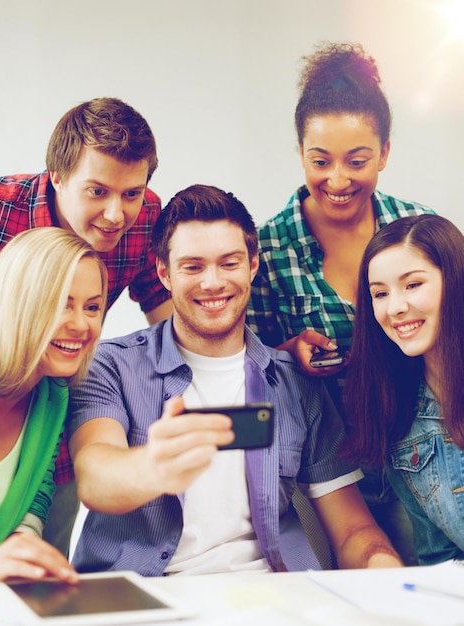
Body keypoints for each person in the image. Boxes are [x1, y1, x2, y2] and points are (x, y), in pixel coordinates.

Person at [68, 184, 402, 575]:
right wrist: (153, 467)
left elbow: (352, 531)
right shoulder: (110, 365)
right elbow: (95, 478)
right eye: (193, 266)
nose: (213, 282)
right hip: (147, 598)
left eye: (229, 263)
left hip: (273, 598)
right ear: (164, 273)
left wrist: (384, 568)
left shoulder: (296, 383)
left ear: (253, 266)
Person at [246, 42, 435, 564]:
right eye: (320, 160)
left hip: (420, 452)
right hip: (328, 470)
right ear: (300, 152)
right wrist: (289, 352)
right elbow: (250, 372)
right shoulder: (269, 248)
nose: (337, 180)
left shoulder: (418, 230)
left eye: (358, 161)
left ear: (385, 153)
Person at [0, 97, 172, 555]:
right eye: (98, 192)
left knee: (34, 559)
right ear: (56, 175)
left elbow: (169, 317)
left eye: (131, 193)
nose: (116, 214)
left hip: (46, 425)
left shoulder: (145, 218)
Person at [344, 214, 464, 566]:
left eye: (412, 285)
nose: (394, 307)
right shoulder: (399, 420)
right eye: (380, 293)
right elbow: (440, 561)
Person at [0, 227, 107, 581]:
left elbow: (35, 495)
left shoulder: (52, 396)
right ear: (18, 303)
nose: (81, 325)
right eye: (61, 304)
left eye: (92, 307)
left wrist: (24, 547)